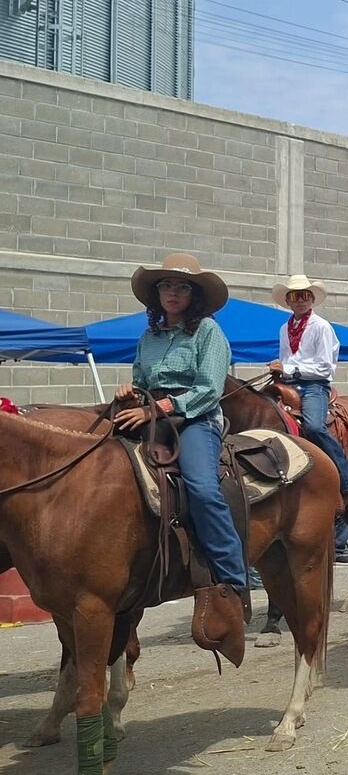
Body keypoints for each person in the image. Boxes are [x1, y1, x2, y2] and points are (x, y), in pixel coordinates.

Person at [111, 253, 246, 640]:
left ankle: (233, 577)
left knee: (203, 487)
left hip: (195, 418)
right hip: (150, 413)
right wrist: (131, 392)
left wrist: (164, 406)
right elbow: (141, 379)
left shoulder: (207, 332)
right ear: (157, 294)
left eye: (182, 286)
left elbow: (209, 389)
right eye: (166, 286)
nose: (172, 293)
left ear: (194, 295)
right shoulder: (149, 337)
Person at [267, 274, 348, 508]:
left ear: (312, 300)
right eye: (295, 296)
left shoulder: (322, 327)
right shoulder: (284, 328)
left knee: (315, 426)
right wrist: (279, 369)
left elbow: (324, 366)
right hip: (287, 382)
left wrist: (288, 368)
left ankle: (347, 482)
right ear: (288, 301)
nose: (300, 300)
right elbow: (287, 358)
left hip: (314, 385)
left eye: (305, 296)